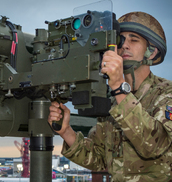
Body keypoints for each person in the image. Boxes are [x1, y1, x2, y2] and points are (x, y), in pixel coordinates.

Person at [48, 12, 172, 181]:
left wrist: (119, 87)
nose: (124, 46)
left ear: (151, 52)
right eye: (120, 40)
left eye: (134, 40)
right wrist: (66, 132)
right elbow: (99, 159)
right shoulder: (112, 99)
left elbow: (155, 146)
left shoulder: (166, 93)